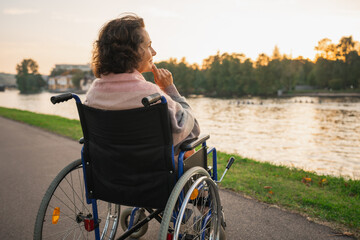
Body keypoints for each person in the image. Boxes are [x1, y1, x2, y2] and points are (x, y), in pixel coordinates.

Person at [84, 14, 199, 160]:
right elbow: (191, 130)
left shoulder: (93, 93)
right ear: (132, 51)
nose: (154, 52)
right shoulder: (150, 94)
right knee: (187, 149)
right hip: (152, 176)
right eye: (148, 46)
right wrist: (169, 88)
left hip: (109, 175)